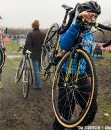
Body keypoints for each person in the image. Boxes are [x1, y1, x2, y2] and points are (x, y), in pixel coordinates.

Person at [52, 1, 101, 130]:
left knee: (92, 109)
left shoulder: (90, 36)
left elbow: (88, 58)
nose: (93, 20)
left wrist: (90, 76)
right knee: (65, 113)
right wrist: (77, 22)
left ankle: (76, 126)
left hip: (81, 75)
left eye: (96, 17)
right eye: (91, 16)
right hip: (66, 74)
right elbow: (64, 44)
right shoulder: (72, 29)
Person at [23, 20, 45, 89]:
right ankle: (38, 83)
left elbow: (28, 44)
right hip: (41, 54)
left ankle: (38, 86)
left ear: (33, 26)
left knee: (36, 70)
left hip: (34, 54)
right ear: (38, 26)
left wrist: (24, 51)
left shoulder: (31, 34)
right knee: (39, 70)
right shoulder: (43, 34)